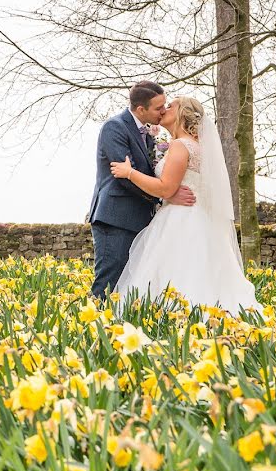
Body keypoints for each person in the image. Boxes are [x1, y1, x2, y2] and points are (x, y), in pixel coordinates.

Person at [109, 96, 261, 315]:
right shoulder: (195, 146)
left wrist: (129, 173)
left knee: (176, 274)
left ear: (183, 113)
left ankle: (177, 319)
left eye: (171, 106)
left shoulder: (181, 146)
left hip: (180, 220)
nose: (164, 109)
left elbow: (165, 188)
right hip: (196, 218)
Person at [86, 81, 195, 300]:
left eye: (165, 105)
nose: (163, 111)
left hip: (140, 219)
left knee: (131, 287)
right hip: (116, 218)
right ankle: (96, 330)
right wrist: (167, 193)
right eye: (158, 108)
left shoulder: (147, 133)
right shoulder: (114, 127)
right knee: (110, 282)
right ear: (140, 109)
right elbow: (125, 176)